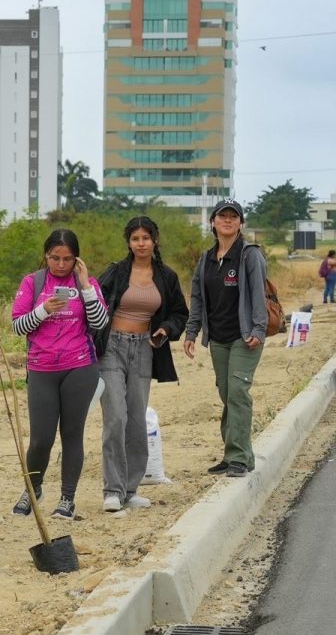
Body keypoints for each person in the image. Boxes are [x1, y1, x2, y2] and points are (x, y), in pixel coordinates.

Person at [10, 229, 109, 520]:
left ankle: (67, 498)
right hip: (41, 368)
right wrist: (42, 310)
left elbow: (100, 322)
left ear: (76, 259)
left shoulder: (86, 284)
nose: (61, 264)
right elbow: (18, 326)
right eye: (55, 258)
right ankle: (33, 488)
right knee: (41, 438)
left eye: (67, 259)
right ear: (46, 256)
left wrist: (85, 286)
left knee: (71, 434)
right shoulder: (33, 282)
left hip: (79, 366)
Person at [95, 216, 189, 513]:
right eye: (135, 239)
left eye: (145, 238)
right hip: (112, 348)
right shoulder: (116, 272)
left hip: (145, 349)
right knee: (115, 418)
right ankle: (112, 490)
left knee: (136, 420)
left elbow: (179, 313)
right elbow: (93, 301)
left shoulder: (167, 276)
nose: (141, 243)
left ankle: (130, 490)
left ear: (154, 240)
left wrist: (166, 330)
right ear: (129, 242)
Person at [183, 199, 268, 478]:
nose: (228, 221)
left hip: (245, 337)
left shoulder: (249, 254)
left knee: (238, 392)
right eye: (223, 216)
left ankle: (238, 458)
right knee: (227, 394)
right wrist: (192, 331)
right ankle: (237, 454)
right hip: (217, 338)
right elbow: (197, 297)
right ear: (213, 222)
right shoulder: (206, 259)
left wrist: (258, 329)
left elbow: (258, 294)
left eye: (234, 216)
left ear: (241, 223)